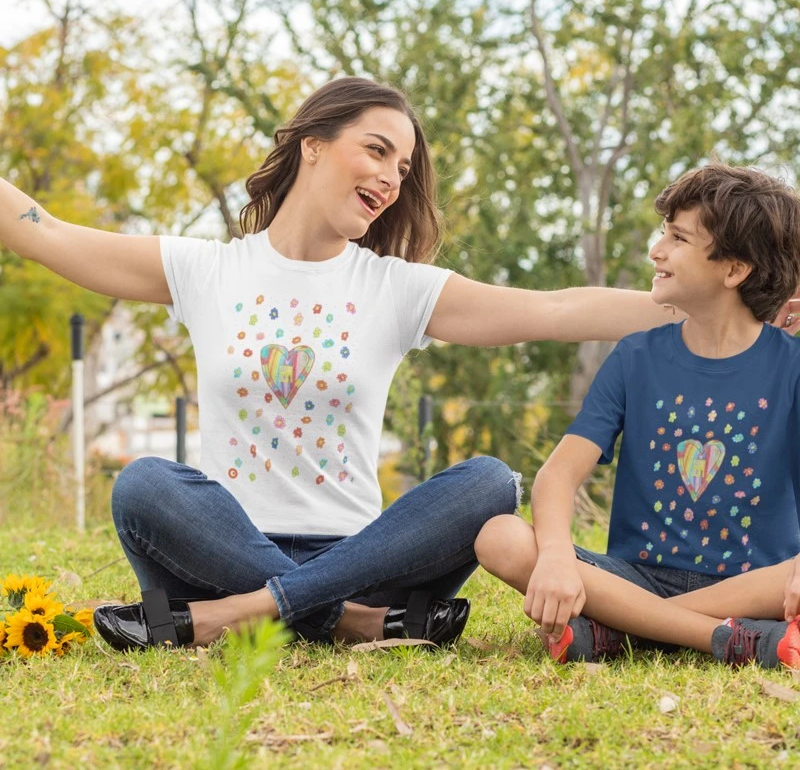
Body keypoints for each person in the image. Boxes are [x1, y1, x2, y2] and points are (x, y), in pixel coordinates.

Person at [0, 77, 716, 651]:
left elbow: (557, 310)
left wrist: (712, 302)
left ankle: (246, 616)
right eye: (376, 151)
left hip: (368, 558)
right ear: (313, 143)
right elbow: (47, 235)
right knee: (146, 484)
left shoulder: (395, 288)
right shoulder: (203, 268)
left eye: (402, 168)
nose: (391, 178)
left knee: (488, 483)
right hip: (221, 552)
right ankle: (348, 624)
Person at [475, 161, 800, 668]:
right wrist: (559, 554)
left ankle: (620, 630)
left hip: (752, 583)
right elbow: (558, 475)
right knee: (501, 538)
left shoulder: (792, 367)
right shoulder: (635, 356)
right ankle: (735, 640)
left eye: (678, 238)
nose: (657, 250)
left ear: (734, 270)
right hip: (636, 575)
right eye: (662, 233)